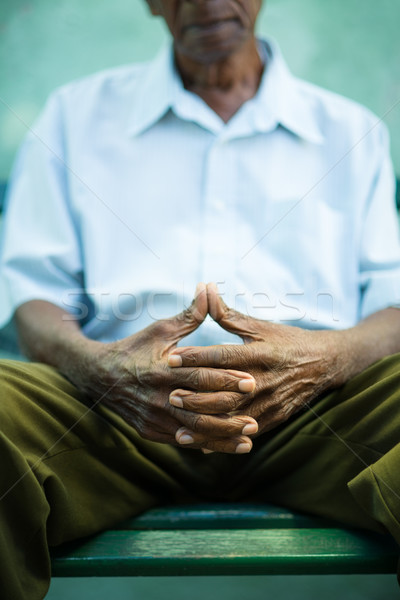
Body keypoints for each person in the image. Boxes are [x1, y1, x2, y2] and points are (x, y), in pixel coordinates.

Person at [1, 0, 400, 597]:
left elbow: (392, 308)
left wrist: (326, 360)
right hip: (112, 416)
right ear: (151, 2)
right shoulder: (73, 116)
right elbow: (32, 298)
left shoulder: (349, 128)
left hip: (316, 412)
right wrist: (99, 368)